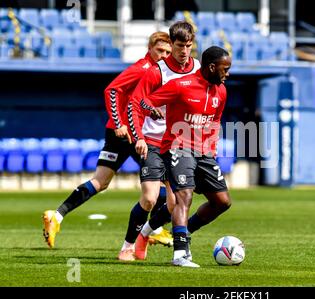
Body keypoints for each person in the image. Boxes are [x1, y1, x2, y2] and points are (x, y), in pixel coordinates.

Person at [42, 32, 172, 249]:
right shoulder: (143, 69)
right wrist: (119, 121)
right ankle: (153, 230)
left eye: (168, 52)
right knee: (162, 183)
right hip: (128, 133)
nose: (164, 55)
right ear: (150, 49)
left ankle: (57, 216)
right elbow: (112, 90)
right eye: (160, 51)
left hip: (118, 133)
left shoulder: (158, 72)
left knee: (100, 181)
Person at [139, 46, 232, 267]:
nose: (227, 74)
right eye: (225, 69)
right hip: (177, 147)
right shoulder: (181, 86)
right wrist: (151, 109)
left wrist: (212, 148)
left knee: (222, 202)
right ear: (211, 67)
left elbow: (215, 121)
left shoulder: (221, 91)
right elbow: (145, 100)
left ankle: (183, 231)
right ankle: (180, 255)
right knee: (184, 197)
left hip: (205, 152)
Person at [117, 21, 201, 261]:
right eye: (179, 46)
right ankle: (127, 246)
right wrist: (139, 137)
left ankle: (145, 233)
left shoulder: (198, 69)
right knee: (150, 198)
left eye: (188, 45)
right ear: (172, 44)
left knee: (176, 204)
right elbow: (135, 102)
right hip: (153, 142)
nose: (184, 51)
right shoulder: (157, 71)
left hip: (179, 143)